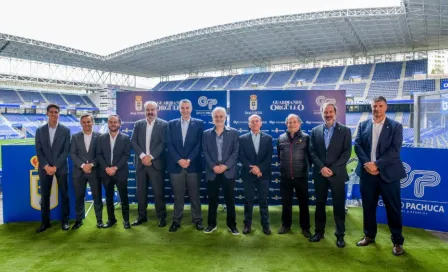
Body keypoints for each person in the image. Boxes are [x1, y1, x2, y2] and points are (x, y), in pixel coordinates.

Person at [354, 96, 406, 256]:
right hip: (367, 174)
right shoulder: (363, 125)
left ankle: (397, 242)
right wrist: (367, 165)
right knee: (368, 207)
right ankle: (369, 235)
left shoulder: (396, 126)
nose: (376, 108)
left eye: (380, 106)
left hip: (388, 175)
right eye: (374, 106)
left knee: (393, 209)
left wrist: (376, 164)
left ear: (386, 107)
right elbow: (357, 145)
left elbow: (395, 151)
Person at [308, 103, 352, 247]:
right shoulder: (315, 131)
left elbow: (346, 153)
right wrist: (322, 168)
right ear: (321, 113)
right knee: (320, 204)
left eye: (330, 111)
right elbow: (312, 152)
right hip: (320, 174)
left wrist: (332, 169)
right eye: (325, 112)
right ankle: (319, 232)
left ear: (335, 112)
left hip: (337, 174)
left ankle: (340, 235)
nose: (328, 114)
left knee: (338, 205)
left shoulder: (345, 131)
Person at [166, 99, 204, 232]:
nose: (185, 110)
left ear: (191, 108)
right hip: (176, 166)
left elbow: (199, 145)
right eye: (183, 108)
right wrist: (179, 160)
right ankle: (176, 220)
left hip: (193, 166)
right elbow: (169, 144)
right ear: (179, 109)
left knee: (195, 195)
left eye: (187, 107)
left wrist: (188, 160)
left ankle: (197, 220)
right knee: (178, 196)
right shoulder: (171, 124)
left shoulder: (199, 124)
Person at [202, 107, 239, 235]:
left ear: (225, 117)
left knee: (230, 200)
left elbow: (235, 152)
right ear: (212, 118)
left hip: (228, 171)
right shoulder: (206, 133)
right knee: (212, 200)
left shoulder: (233, 132)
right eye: (216, 116)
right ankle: (211, 224)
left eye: (221, 116)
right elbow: (205, 152)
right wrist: (213, 166)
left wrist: (225, 166)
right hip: (212, 172)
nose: (218, 119)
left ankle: (232, 225)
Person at [131, 101, 168, 227]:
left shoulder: (163, 125)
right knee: (141, 192)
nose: (150, 112)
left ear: (157, 110)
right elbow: (133, 141)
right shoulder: (138, 124)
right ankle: (142, 217)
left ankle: (161, 217)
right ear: (144, 111)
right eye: (148, 110)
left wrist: (150, 157)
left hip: (156, 164)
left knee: (158, 192)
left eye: (152, 110)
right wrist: (142, 156)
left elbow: (163, 144)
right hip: (141, 164)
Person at [35, 104, 71, 233]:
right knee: (45, 196)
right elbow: (39, 151)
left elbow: (66, 151)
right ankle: (45, 223)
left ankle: (65, 221)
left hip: (60, 167)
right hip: (44, 168)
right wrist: (46, 166)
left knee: (64, 194)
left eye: (56, 112)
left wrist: (55, 166)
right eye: (51, 112)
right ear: (47, 114)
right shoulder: (39, 130)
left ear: (59, 114)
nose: (54, 114)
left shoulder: (66, 130)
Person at [276, 114, 311, 238]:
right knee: (286, 203)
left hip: (301, 176)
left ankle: (305, 228)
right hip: (285, 177)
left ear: (299, 123)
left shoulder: (306, 138)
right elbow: (280, 156)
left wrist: (304, 170)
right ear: (286, 124)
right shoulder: (281, 138)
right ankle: (286, 225)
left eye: (294, 122)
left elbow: (310, 157)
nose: (292, 124)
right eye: (289, 122)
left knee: (303, 203)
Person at [239, 114, 273, 235]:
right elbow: (241, 157)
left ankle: (266, 226)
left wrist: (259, 168)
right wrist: (253, 169)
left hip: (263, 174)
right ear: (248, 124)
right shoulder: (242, 138)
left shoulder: (268, 138)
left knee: (263, 201)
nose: (254, 123)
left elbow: (269, 158)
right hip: (248, 174)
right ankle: (247, 225)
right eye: (252, 121)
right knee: (248, 200)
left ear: (261, 123)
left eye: (256, 121)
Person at [97, 114, 131, 229]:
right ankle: (111, 219)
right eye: (111, 122)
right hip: (106, 173)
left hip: (120, 172)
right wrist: (106, 168)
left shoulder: (126, 138)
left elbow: (126, 155)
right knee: (109, 198)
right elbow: (99, 155)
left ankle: (126, 220)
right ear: (108, 124)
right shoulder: (101, 138)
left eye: (115, 122)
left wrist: (115, 168)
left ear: (119, 124)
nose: (113, 124)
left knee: (123, 197)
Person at [70, 114, 103, 229]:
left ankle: (99, 220)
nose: (86, 124)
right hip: (79, 172)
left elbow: (101, 154)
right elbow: (73, 154)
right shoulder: (74, 137)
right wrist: (83, 165)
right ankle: (78, 221)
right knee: (79, 197)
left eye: (88, 122)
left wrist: (91, 165)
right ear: (81, 123)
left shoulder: (100, 136)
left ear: (92, 122)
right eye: (84, 122)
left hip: (95, 172)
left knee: (97, 197)